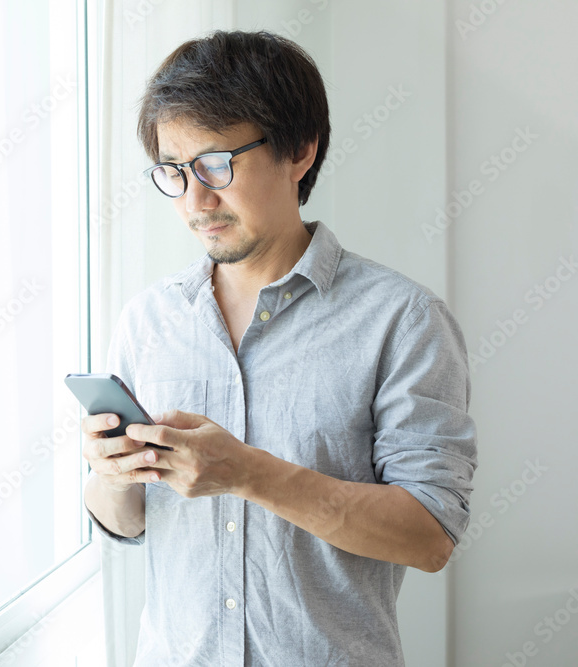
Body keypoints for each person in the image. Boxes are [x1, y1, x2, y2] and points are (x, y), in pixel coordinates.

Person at [81, 30, 477, 666]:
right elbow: (126, 524)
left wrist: (248, 473)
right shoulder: (147, 320)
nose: (195, 201)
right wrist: (111, 474)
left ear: (299, 150)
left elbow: (429, 536)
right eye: (174, 173)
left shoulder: (402, 319)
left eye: (216, 165)